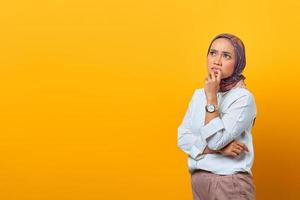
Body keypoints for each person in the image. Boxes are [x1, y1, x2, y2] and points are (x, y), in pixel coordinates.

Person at [177, 33, 257, 200]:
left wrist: (212, 97)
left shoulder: (242, 98)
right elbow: (182, 138)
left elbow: (215, 139)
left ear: (238, 63)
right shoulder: (199, 95)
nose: (217, 61)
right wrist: (220, 149)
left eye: (226, 56)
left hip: (228, 183)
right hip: (199, 181)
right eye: (213, 53)